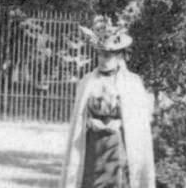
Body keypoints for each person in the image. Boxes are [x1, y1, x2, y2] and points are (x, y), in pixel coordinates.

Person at [60, 19, 156, 188]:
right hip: (93, 144)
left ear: (119, 56)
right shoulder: (87, 82)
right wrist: (90, 122)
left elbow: (137, 123)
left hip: (118, 144)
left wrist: (118, 124)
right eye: (100, 54)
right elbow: (81, 117)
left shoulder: (132, 83)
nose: (102, 59)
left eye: (108, 55)